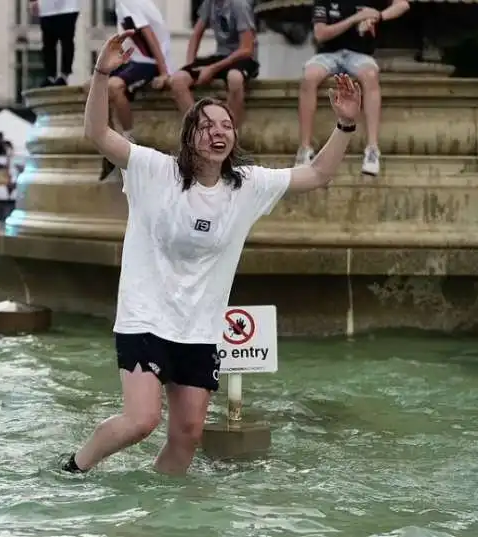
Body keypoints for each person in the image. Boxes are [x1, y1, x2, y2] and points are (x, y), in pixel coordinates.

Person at [62, 32, 362, 475]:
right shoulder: (154, 170)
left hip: (199, 328)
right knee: (142, 421)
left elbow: (318, 173)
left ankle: (161, 506)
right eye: (207, 126)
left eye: (226, 126)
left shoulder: (248, 186)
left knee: (188, 435)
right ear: (190, 136)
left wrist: (345, 125)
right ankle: (73, 468)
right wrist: (103, 73)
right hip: (145, 316)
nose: (218, 133)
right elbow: (96, 132)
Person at [295, 0, 410, 176]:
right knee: (308, 78)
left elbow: (403, 5)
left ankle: (372, 149)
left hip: (359, 56)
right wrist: (355, 19)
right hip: (328, 55)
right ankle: (304, 149)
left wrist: (377, 16)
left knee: (371, 77)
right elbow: (320, 34)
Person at [96, 0, 173, 180]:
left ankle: (129, 139)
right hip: (133, 61)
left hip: (148, 63)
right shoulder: (124, 4)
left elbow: (150, 35)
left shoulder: (129, 2)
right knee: (93, 85)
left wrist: (163, 72)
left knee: (113, 87)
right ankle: (108, 139)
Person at [168, 0, 258, 129]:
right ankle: (199, 130)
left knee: (235, 78)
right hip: (220, 56)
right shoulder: (209, 3)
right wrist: (190, 65)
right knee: (177, 80)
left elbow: (246, 49)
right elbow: (196, 35)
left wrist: (212, 69)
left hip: (241, 57)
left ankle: (231, 133)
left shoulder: (239, 4)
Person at [29, 0, 80, 87]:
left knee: (66, 41)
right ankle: (50, 76)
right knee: (48, 43)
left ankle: (64, 75)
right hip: (47, 7)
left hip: (68, 7)